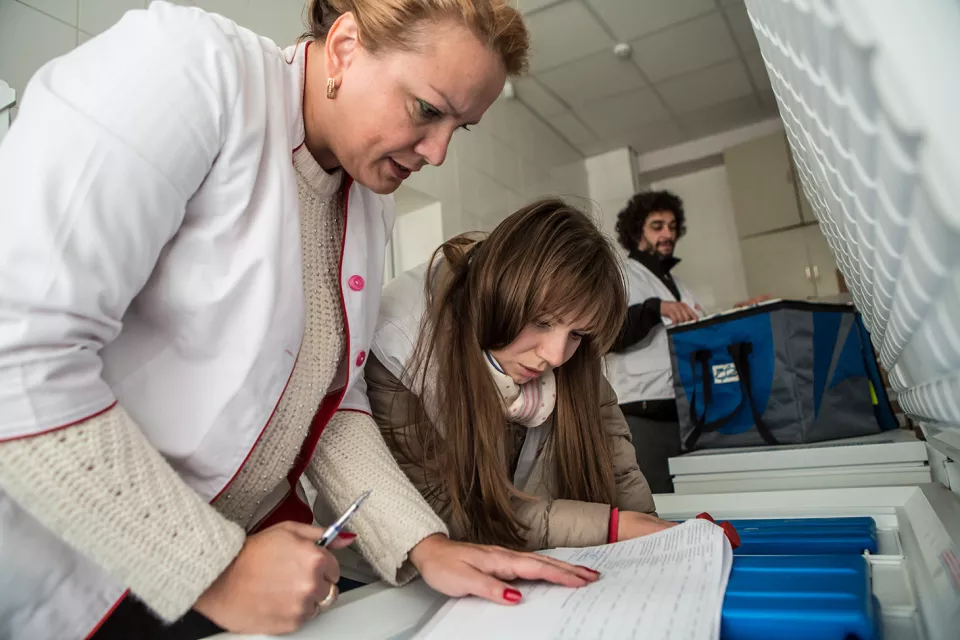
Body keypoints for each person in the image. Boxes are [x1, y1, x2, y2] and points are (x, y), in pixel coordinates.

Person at [0, 2, 601, 639]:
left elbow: (330, 403)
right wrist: (216, 571)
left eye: (461, 127)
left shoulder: (368, 203)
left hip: (234, 560)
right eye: (427, 109)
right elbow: (19, 355)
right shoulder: (192, 68)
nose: (438, 152)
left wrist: (423, 542)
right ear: (344, 47)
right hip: (79, 558)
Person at [360, 199, 676, 566]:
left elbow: (617, 463)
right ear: (498, 295)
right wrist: (610, 527)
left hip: (496, 559)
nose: (555, 356)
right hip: (383, 574)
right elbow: (442, 514)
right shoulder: (399, 342)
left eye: (576, 333)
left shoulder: (574, 347)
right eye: (542, 322)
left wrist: (655, 535)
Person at [605, 190, 768, 493]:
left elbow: (702, 335)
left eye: (672, 226)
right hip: (641, 416)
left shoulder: (679, 286)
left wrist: (740, 313)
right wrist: (655, 308)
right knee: (654, 503)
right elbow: (606, 332)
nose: (668, 234)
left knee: (691, 500)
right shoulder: (620, 275)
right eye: (657, 226)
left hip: (686, 413)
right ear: (636, 231)